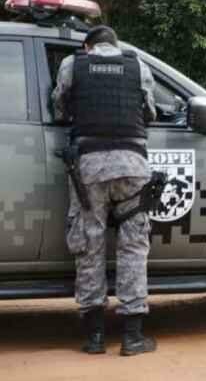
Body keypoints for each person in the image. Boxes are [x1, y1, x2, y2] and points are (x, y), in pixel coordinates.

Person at [51, 25, 158, 356]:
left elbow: (59, 108)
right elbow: (150, 113)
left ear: (88, 46)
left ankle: (95, 337)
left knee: (89, 244)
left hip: (90, 168)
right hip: (131, 166)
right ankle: (132, 337)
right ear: (115, 44)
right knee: (133, 247)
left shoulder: (73, 64)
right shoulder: (138, 65)